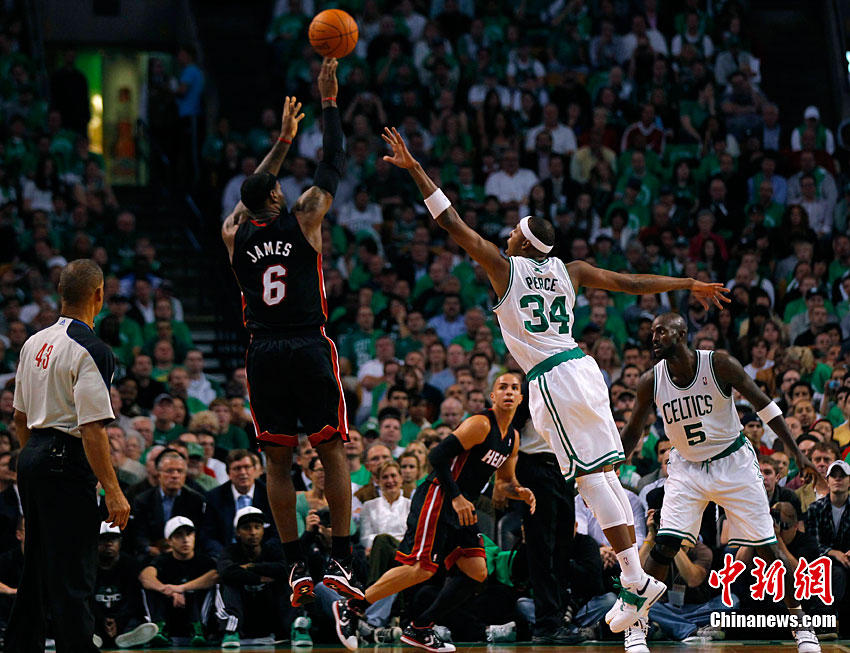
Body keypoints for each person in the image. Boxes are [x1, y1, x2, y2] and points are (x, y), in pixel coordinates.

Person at [378, 126, 730, 639]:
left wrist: (415, 170)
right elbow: (631, 283)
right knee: (605, 475)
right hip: (585, 368)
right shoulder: (571, 270)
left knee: (589, 481)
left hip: (553, 378)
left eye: (513, 232)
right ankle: (637, 578)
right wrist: (688, 282)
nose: (507, 236)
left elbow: (452, 223)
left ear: (524, 241)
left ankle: (634, 579)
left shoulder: (506, 268)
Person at [221, 59, 360, 606]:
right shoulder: (304, 215)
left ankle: (294, 560)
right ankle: (342, 557)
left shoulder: (233, 233)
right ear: (277, 197)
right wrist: (328, 101)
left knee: (276, 461)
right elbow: (333, 160)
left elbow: (250, 193)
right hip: (307, 342)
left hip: (262, 351)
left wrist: (280, 142)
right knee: (331, 450)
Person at [620, 313, 822, 653]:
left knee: (769, 550)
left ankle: (802, 625)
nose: (653, 338)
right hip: (686, 468)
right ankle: (636, 625)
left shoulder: (718, 365)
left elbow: (764, 406)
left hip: (733, 463)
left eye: (661, 331)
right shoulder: (650, 381)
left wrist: (796, 452)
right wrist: (608, 467)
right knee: (665, 545)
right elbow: (633, 430)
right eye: (652, 332)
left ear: (682, 334)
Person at [332, 374, 536, 653]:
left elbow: (504, 483)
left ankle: (421, 627)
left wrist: (520, 491)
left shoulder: (512, 438)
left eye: (514, 388)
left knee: (476, 571)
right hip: (439, 495)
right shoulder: (480, 423)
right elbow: (437, 456)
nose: (509, 392)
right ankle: (352, 606)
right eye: (503, 387)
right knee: (421, 568)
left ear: (521, 398)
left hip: (464, 506)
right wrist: (456, 497)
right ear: (493, 396)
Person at [7, 258, 130, 652]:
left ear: (60, 292)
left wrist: (36, 458)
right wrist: (113, 490)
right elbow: (92, 428)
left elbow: (19, 417)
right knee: (74, 572)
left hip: (31, 456)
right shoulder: (92, 348)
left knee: (37, 568)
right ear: (99, 295)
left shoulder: (33, 342)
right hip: (65, 459)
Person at [215, 507, 292, 647]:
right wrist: (258, 579)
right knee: (226, 583)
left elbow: (285, 569)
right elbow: (226, 572)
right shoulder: (230, 551)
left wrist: (252, 566)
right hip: (243, 610)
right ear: (237, 532)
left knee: (289, 581)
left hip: (269, 610)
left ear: (263, 530)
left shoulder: (273, 550)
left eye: (257, 527)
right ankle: (231, 630)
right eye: (247, 528)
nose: (253, 532)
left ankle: (295, 628)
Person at [140, 516, 217, 647]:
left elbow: (214, 576)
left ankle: (199, 629)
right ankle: (158, 628)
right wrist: (167, 590)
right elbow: (145, 576)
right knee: (150, 588)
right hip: (171, 613)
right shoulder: (162, 560)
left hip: (197, 612)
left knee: (214, 586)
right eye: (179, 535)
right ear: (169, 541)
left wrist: (181, 588)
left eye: (189, 534)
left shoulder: (204, 560)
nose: (185, 540)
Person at [93, 522, 160, 649]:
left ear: (120, 542)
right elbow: (86, 598)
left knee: (136, 619)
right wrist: (102, 619)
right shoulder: (87, 566)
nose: (108, 543)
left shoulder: (131, 565)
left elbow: (133, 599)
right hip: (96, 618)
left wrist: (118, 620)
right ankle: (91, 637)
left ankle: (128, 636)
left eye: (113, 539)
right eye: (103, 539)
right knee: (83, 617)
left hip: (124, 618)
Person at [201, 449, 273, 557]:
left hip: (264, 555)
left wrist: (262, 554)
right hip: (226, 556)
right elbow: (208, 536)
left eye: (247, 467)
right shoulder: (214, 497)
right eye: (237, 468)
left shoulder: (269, 495)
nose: (243, 472)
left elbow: (277, 533)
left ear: (254, 470)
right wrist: (225, 556)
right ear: (228, 473)